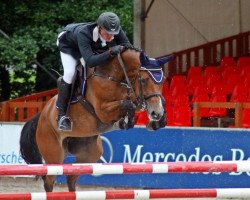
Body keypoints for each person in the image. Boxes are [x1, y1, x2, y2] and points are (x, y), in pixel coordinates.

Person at [56, 12, 132, 131]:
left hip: (92, 48)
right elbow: (90, 61)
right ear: (99, 27)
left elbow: (128, 46)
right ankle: (61, 116)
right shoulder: (84, 34)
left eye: (114, 34)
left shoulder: (115, 30)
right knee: (70, 73)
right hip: (70, 46)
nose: (111, 37)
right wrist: (111, 51)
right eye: (108, 33)